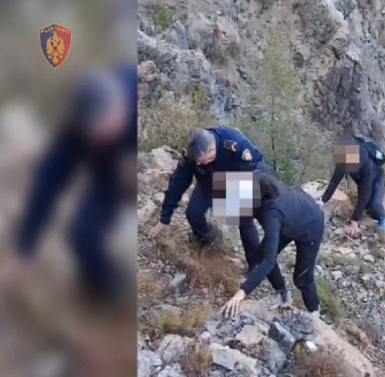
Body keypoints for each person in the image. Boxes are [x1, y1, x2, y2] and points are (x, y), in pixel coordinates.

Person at [3, 64, 138, 303]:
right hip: (107, 177)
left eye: (110, 126)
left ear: (119, 105)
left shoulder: (137, 88)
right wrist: (25, 247)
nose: (106, 137)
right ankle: (111, 293)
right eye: (98, 135)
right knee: (82, 237)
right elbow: (48, 183)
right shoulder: (75, 130)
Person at [150, 128, 267, 271]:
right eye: (198, 162)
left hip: (235, 183)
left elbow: (258, 169)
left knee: (244, 222)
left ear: (212, 150)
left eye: (204, 161)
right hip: (208, 183)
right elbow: (178, 183)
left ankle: (255, 265)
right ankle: (208, 241)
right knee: (193, 213)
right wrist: (165, 219)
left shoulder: (235, 144)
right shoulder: (191, 155)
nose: (200, 164)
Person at [221, 171, 324, 318]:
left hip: (311, 225)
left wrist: (241, 293)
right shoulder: (256, 183)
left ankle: (314, 313)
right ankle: (282, 294)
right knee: (261, 254)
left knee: (301, 278)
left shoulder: (271, 215)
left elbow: (269, 261)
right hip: (289, 217)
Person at [319, 135, 385, 238]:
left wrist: (355, 220)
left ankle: (383, 218)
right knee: (365, 205)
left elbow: (365, 192)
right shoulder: (343, 159)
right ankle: (365, 209)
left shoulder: (367, 165)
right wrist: (322, 201)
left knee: (375, 207)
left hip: (376, 178)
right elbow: (334, 182)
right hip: (361, 180)